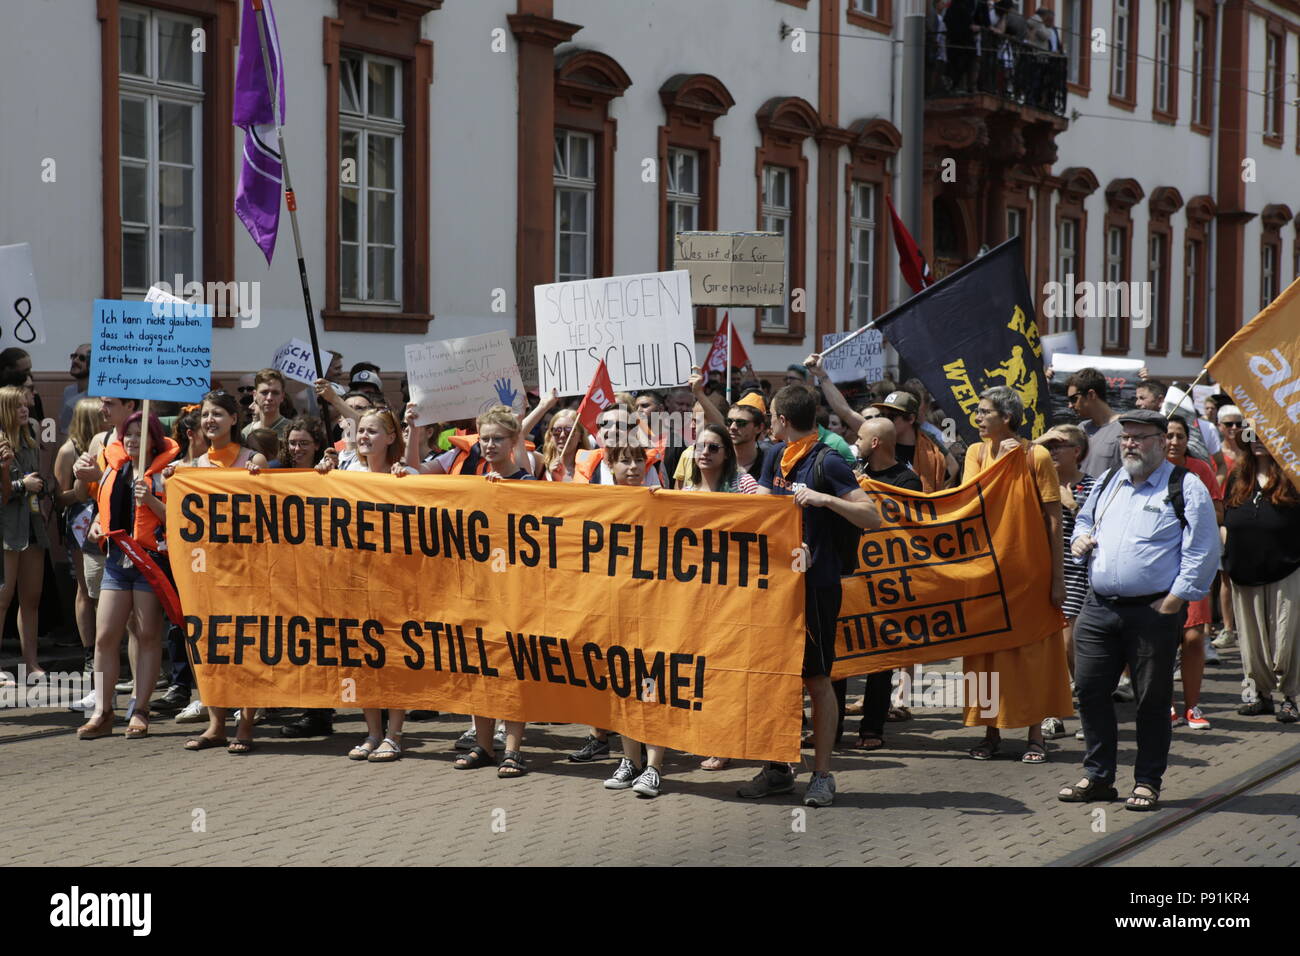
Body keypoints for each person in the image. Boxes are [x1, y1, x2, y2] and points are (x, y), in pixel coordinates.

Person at [1064, 409, 1218, 811]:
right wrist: (1081, 539)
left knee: (1151, 698)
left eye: (1138, 437)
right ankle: (1099, 777)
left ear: (1161, 441)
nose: (1128, 443)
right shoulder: (1111, 481)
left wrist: (1175, 599)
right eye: (1124, 437)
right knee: (1090, 690)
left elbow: (1203, 549)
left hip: (1152, 612)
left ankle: (1148, 781)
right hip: (1099, 608)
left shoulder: (1184, 485)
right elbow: (1084, 519)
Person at [742, 385, 881, 807]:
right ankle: (778, 769)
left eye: (771, 419)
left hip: (816, 586)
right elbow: (763, 509)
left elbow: (871, 516)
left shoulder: (828, 459)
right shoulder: (772, 456)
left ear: (781, 419)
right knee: (774, 679)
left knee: (817, 679)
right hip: (776, 588)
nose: (770, 425)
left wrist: (822, 498)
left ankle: (822, 775)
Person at [401, 405, 532, 776]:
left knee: (512, 669)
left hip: (511, 591)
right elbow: (415, 479)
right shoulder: (468, 478)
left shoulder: (525, 482)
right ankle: (484, 745)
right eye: (485, 438)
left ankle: (514, 748)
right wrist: (412, 429)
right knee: (478, 667)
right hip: (473, 590)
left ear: (513, 442)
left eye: (497, 439)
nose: (489, 445)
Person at [962, 387, 1070, 764]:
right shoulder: (976, 453)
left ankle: (1036, 735)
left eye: (984, 411)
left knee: (1032, 652)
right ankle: (990, 732)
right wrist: (1000, 466)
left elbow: (1054, 521)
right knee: (986, 654)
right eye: (978, 410)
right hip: (987, 573)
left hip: (1030, 572)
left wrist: (1058, 579)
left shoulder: (1037, 455)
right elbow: (970, 501)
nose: (977, 417)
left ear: (1006, 418)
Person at [74, 411, 178, 739]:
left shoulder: (168, 474)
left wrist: (150, 500)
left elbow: (180, 519)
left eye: (140, 434)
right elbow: (97, 503)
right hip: (118, 561)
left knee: (147, 635)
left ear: (153, 439)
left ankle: (141, 709)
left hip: (150, 563)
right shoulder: (113, 467)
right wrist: (95, 522)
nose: (133, 440)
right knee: (105, 637)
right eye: (128, 434)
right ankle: (103, 711)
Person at [316, 408, 409, 762]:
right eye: (361, 431)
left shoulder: (406, 475)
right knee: (364, 657)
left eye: (372, 430)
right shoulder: (345, 474)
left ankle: (395, 734)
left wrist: (406, 484)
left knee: (395, 659)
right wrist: (323, 476)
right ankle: (372, 733)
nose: (365, 436)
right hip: (354, 580)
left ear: (390, 437)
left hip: (396, 582)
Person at [180, 391, 267, 754]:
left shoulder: (253, 458)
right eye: (204, 415)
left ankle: (245, 723)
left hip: (246, 567)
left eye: (217, 414)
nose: (209, 421)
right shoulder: (194, 466)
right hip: (205, 569)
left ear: (235, 419)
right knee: (206, 642)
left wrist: (259, 480)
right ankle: (216, 724)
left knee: (245, 643)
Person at [599, 444, 671, 797]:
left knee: (651, 683)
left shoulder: (661, 500)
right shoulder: (597, 502)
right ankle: (630, 760)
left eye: (639, 460)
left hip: (654, 608)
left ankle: (654, 766)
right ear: (610, 466)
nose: (633, 466)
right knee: (622, 683)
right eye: (624, 461)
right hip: (615, 608)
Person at [849, 418, 924, 751]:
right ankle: (832, 726)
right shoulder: (855, 472)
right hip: (852, 574)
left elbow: (907, 525)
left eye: (861, 437)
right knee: (844, 650)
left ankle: (872, 727)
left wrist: (869, 493)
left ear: (876, 442)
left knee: (880, 658)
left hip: (887, 579)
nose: (856, 441)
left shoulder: (907, 480)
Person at [1223, 439, 1300, 723]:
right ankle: (1260, 696)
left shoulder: (1293, 475)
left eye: (1263, 435)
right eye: (1251, 434)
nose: (1257, 441)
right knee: (1252, 640)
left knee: (1284, 638)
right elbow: (1226, 515)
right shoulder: (1237, 475)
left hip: (1286, 567)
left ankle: (1290, 697)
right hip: (1243, 570)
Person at [1031, 423, 1093, 741]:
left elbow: (1101, 529)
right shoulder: (1037, 481)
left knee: (1070, 646)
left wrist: (1072, 505)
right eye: (1049, 445)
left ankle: (1087, 711)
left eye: (1060, 445)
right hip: (1040, 574)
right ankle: (1052, 714)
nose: (1052, 451)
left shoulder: (1094, 486)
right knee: (1050, 647)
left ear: (1077, 452)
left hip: (1077, 575)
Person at [1165, 414, 1223, 730]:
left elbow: (1217, 510)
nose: (1174, 442)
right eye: (1169, 436)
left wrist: (1190, 508)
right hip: (1160, 566)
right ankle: (1167, 706)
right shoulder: (1152, 469)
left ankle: (1192, 707)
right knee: (1162, 640)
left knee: (1193, 638)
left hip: (1193, 563)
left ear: (1188, 441)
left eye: (1179, 436)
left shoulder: (1200, 470)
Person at [151, 407, 209, 719]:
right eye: (204, 431)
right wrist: (150, 500)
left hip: (214, 557)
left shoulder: (218, 467)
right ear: (190, 435)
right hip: (178, 555)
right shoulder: (171, 472)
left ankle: (215, 692)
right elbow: (167, 517)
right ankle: (183, 686)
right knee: (181, 622)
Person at [0, 385, 49, 681]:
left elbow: (36, 478)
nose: (25, 409)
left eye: (25, 404)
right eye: (18, 405)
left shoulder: (30, 436)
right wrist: (22, 486)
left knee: (31, 596)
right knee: (3, 599)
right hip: (6, 527)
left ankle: (31, 664)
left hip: (31, 525)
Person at [53, 398, 103, 686]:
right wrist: (82, 486)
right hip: (81, 521)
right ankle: (89, 654)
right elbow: (60, 497)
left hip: (106, 516)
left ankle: (109, 648)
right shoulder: (68, 450)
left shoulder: (109, 443)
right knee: (85, 589)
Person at [1212, 405, 1246, 650]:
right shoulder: (1215, 455)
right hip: (1221, 520)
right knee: (1224, 575)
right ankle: (1227, 628)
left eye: (1238, 424)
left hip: (1246, 519)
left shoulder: (1250, 453)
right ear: (1220, 427)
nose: (1234, 428)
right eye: (1229, 424)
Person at [1068, 368, 1123, 478]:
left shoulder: (1124, 430)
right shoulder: (1081, 429)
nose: (1070, 405)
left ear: (1091, 395)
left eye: (1074, 399)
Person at [241, 369, 291, 440]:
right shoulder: (246, 433)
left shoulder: (292, 431)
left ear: (282, 396)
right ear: (255, 395)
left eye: (275, 393)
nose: (269, 398)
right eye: (264, 392)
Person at [59, 344, 92, 434]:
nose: (75, 360)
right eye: (74, 356)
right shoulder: (68, 391)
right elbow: (63, 427)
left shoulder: (97, 396)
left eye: (82, 358)